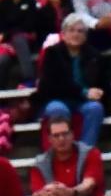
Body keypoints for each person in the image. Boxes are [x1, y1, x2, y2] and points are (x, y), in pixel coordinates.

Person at [33, 13, 105, 148]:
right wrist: (84, 92)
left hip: (83, 102)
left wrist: (99, 91)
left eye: (80, 31)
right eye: (71, 30)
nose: (76, 34)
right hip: (56, 99)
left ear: (85, 35)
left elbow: (102, 82)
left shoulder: (94, 55)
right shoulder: (52, 53)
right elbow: (51, 85)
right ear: (63, 34)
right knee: (58, 110)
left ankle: (85, 151)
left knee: (95, 108)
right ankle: (61, 150)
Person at [0, 0, 39, 89]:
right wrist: (10, 32)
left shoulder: (30, 1)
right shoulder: (3, 4)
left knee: (18, 39)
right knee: (2, 59)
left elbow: (30, 25)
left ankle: (29, 79)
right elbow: (3, 27)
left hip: (27, 39)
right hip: (9, 42)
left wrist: (11, 30)